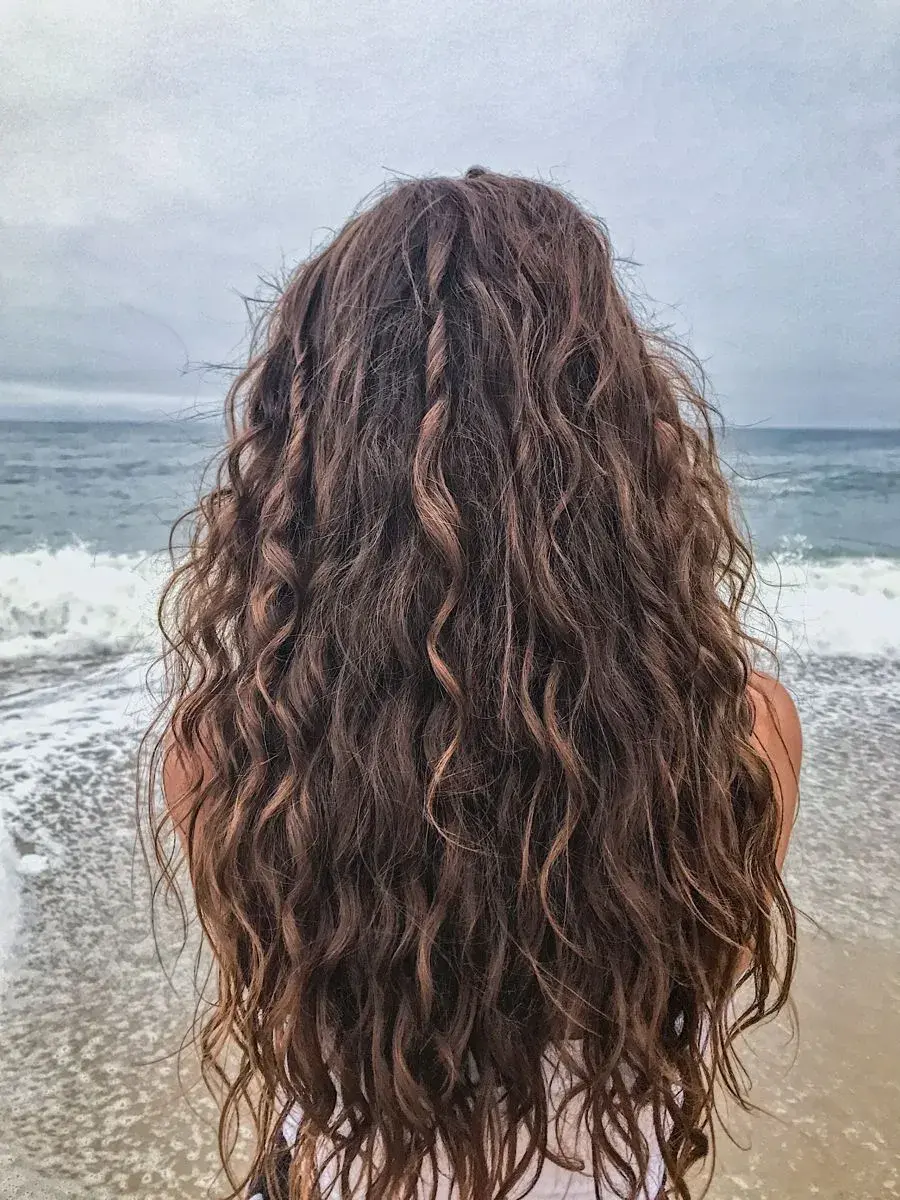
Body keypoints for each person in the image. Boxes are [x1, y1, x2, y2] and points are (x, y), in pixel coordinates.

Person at [153, 168, 801, 1200]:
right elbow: (684, 1006)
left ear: (306, 463)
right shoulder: (743, 739)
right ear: (624, 444)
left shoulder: (223, 756)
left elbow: (293, 1031)